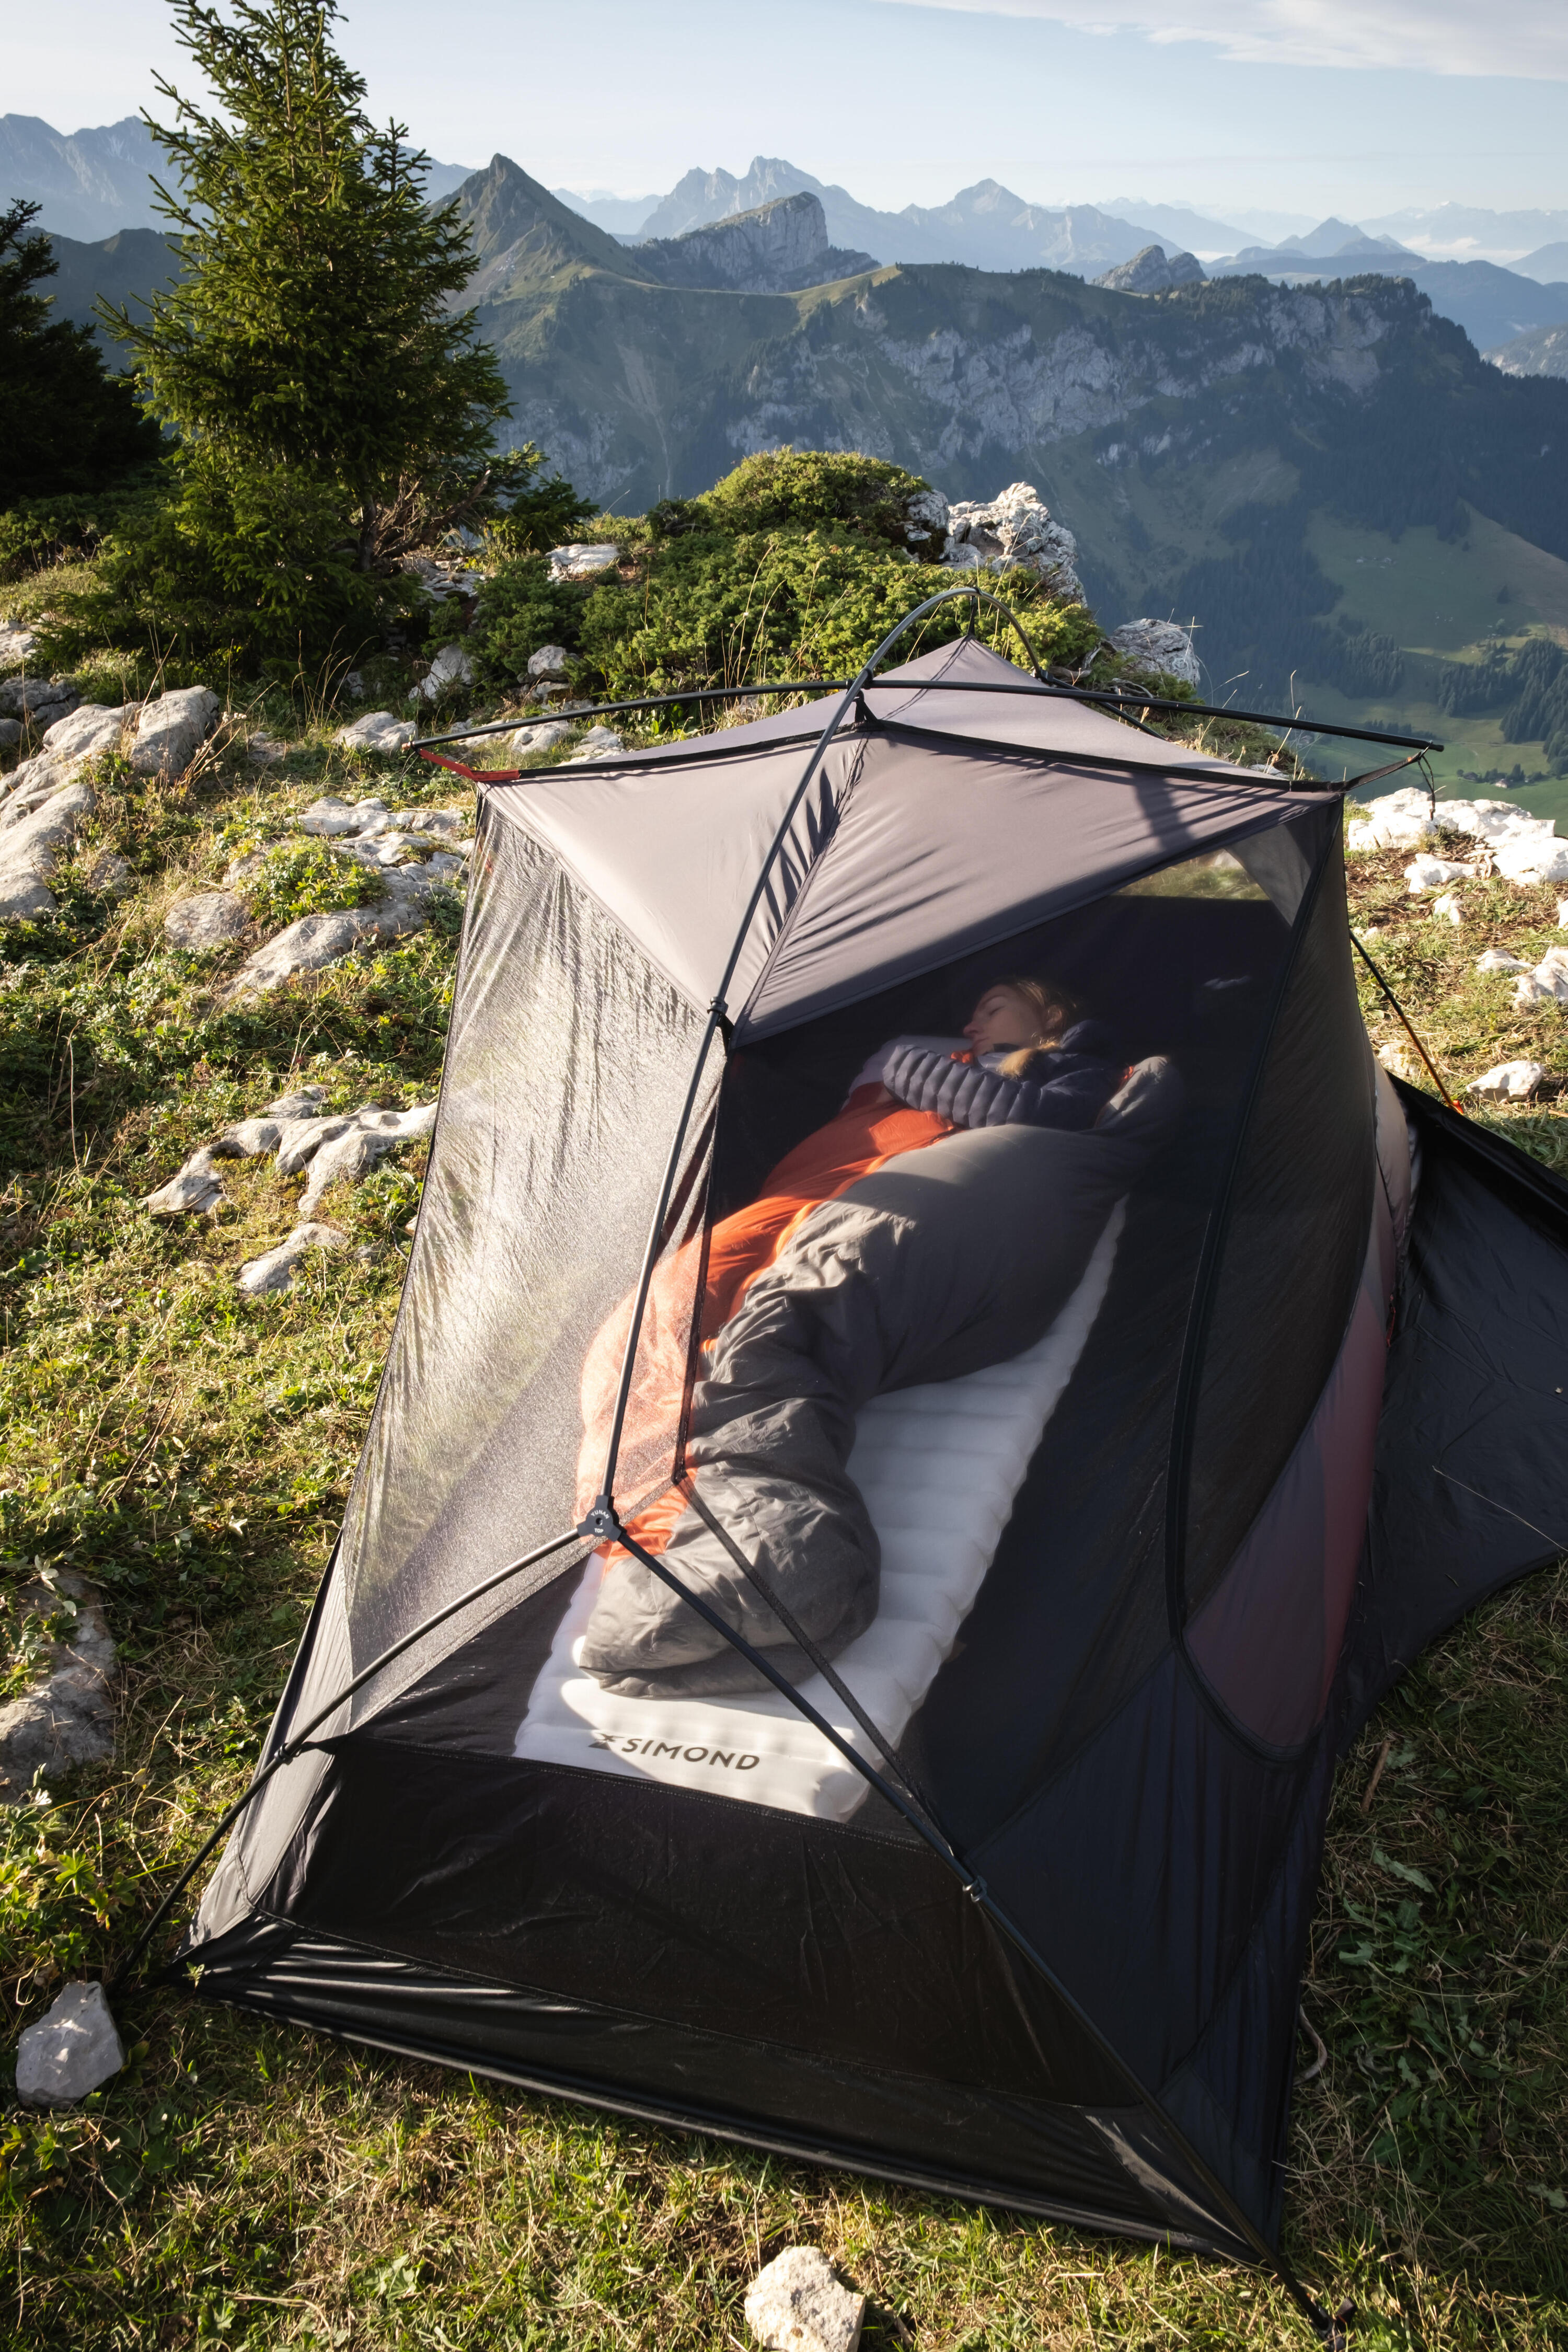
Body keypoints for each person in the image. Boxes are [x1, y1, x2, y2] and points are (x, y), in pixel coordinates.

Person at [854, 974, 1124, 1134]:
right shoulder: (966, 1062)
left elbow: (1057, 1118)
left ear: (1051, 1017)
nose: (968, 1028)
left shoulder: (1082, 1063)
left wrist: (912, 1073)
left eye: (993, 1010)